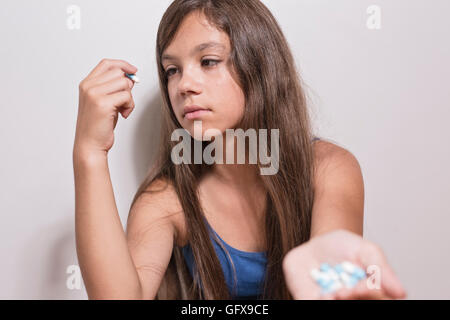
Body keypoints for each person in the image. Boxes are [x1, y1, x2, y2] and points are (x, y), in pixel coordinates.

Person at [73, 0, 407, 300]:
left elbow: (332, 266)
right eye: (172, 70)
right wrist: (89, 153)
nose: (184, 85)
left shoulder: (329, 169)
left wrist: (330, 278)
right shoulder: (167, 201)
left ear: (260, 66)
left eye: (208, 61)